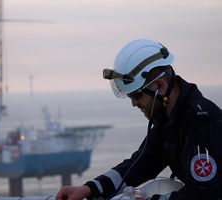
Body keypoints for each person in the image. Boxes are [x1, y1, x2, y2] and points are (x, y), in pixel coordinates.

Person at [56, 39, 222, 200]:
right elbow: (139, 165)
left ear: (159, 86)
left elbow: (205, 194)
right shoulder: (169, 118)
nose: (134, 103)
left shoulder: (201, 123)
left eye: (136, 95)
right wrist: (89, 188)